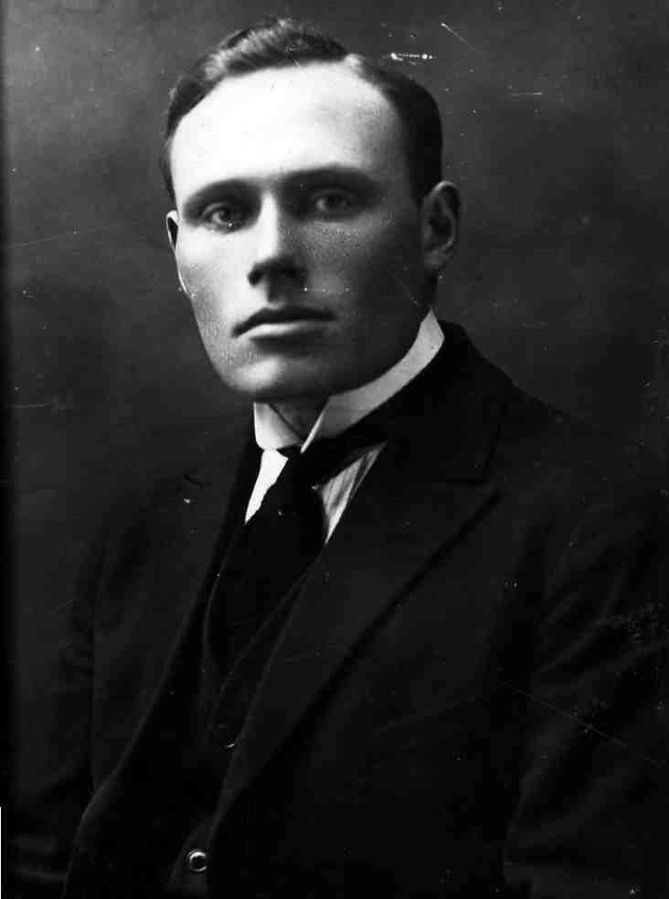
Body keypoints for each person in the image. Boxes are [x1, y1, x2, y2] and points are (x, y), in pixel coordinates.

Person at [11, 16, 669, 898]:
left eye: (327, 200)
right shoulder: (145, 520)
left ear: (434, 229)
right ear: (178, 252)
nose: (272, 257)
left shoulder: (603, 521)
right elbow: (43, 858)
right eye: (223, 212)